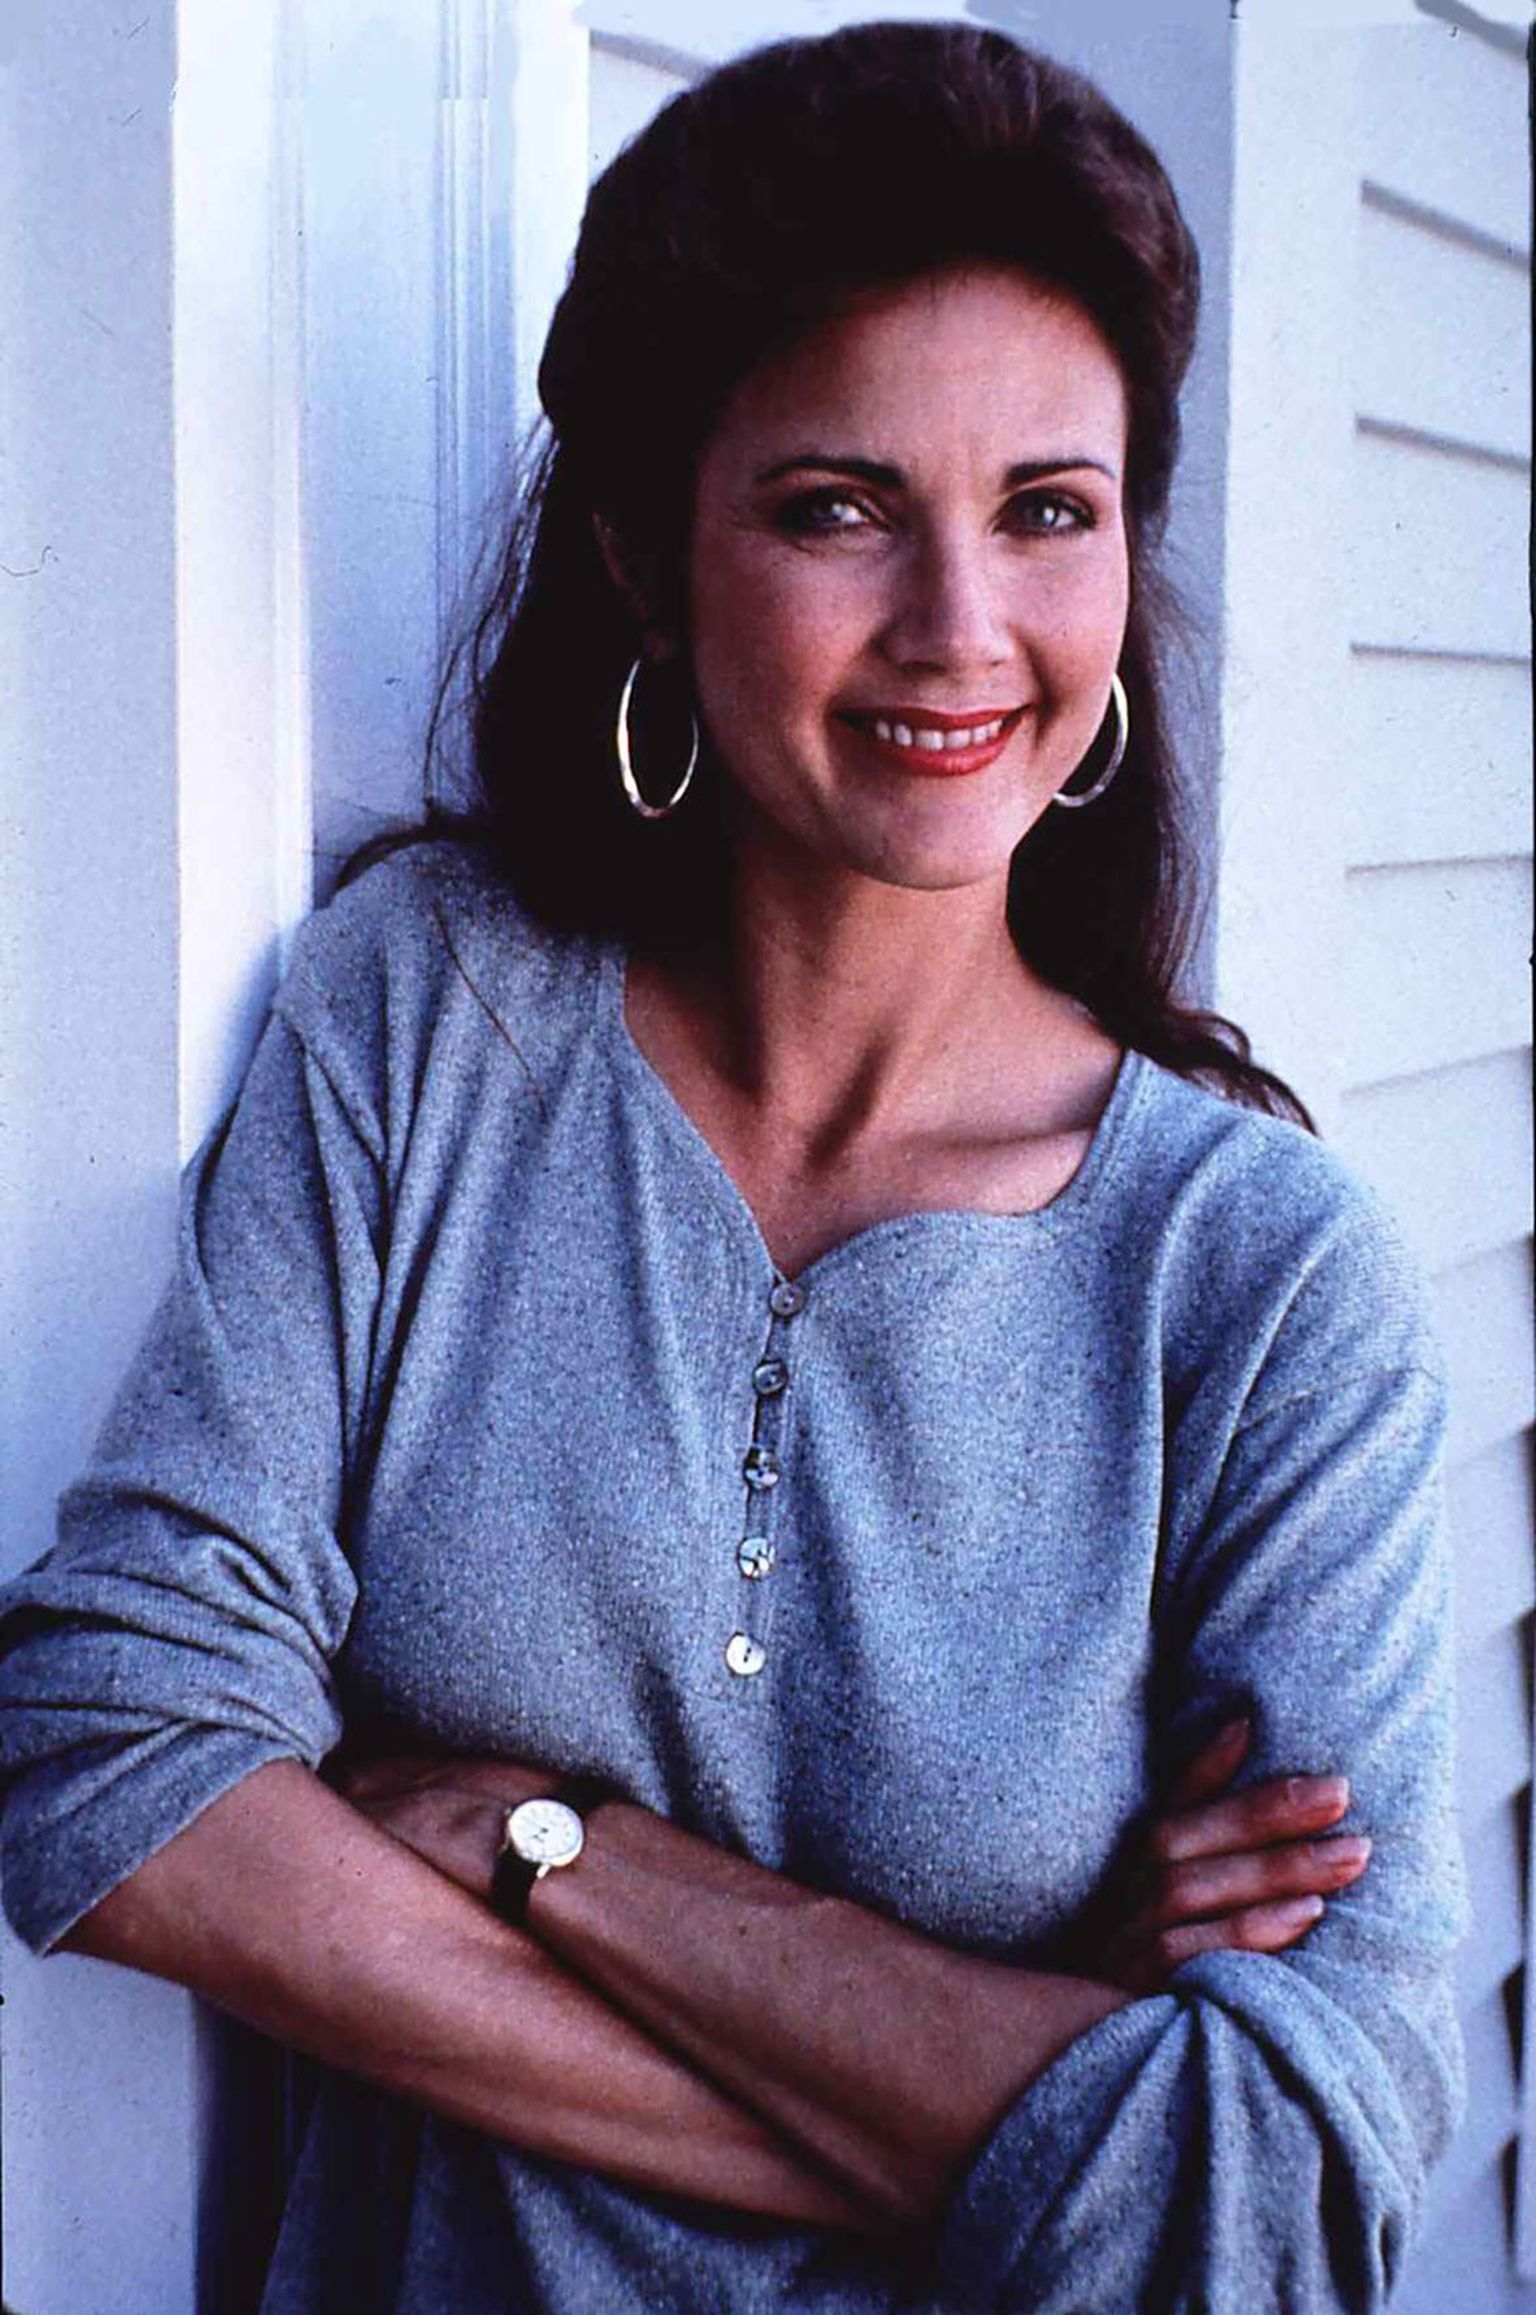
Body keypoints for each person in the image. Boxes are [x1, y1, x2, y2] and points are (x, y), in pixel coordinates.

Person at [0, 21, 1464, 2312]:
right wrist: (1001, 2099)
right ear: (645, 554)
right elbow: (108, 1757)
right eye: (837, 507)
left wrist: (550, 1846)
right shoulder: (433, 1018)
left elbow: (1270, 2209)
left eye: (1048, 510)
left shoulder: (1262, 1286)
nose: (961, 630)